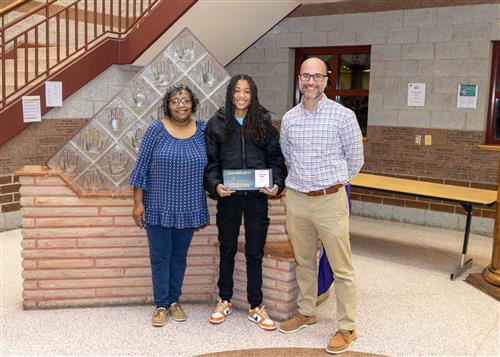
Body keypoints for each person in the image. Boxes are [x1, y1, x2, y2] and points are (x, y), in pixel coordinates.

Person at [278, 57, 364, 354]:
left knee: (342, 267)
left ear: (327, 80)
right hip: (297, 200)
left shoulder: (343, 116)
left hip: (330, 200)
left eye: (316, 77)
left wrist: (333, 184)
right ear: (299, 79)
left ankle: (347, 326)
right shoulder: (289, 119)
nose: (310, 82)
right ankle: (306, 311)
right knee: (303, 260)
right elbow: (288, 156)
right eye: (305, 76)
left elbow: (356, 161)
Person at [204, 74, 287, 331]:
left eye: (247, 92)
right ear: (230, 94)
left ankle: (256, 306)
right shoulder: (216, 124)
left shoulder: (263, 121)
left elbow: (276, 161)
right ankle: (224, 300)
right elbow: (211, 164)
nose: (242, 96)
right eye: (237, 91)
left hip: (256, 198)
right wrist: (216, 185)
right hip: (228, 198)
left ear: (253, 95)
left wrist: (276, 184)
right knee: (227, 248)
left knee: (254, 252)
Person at [129, 83, 209, 327]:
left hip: (188, 206)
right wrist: (137, 203)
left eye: (185, 100)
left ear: (193, 104)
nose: (180, 105)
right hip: (158, 206)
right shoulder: (156, 130)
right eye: (175, 101)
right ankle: (161, 305)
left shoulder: (203, 130)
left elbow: (217, 163)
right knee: (160, 257)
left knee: (179, 258)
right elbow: (141, 167)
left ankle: (174, 301)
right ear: (168, 106)